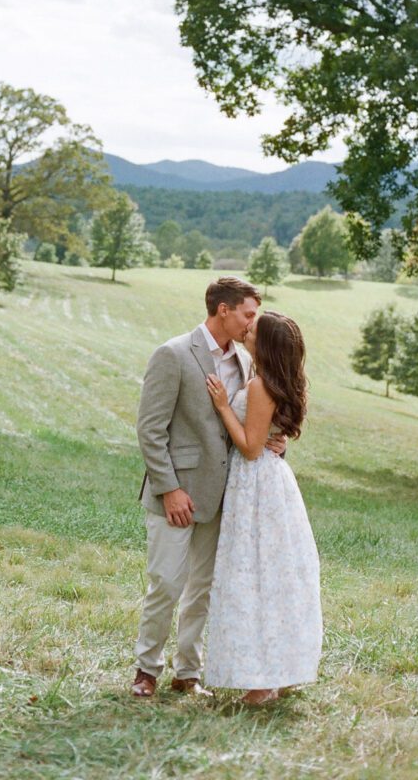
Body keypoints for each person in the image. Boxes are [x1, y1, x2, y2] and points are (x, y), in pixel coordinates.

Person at [131, 277, 286, 698]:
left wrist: (273, 439)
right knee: (165, 581)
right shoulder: (174, 353)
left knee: (203, 587)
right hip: (178, 494)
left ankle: (188, 673)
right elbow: (150, 430)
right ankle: (146, 669)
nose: (253, 324)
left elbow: (247, 422)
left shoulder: (245, 361)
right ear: (224, 310)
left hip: (225, 496)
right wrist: (168, 489)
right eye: (248, 314)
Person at [204, 310, 322, 705]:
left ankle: (262, 681)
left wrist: (222, 405)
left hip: (256, 486)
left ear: (265, 344)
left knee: (254, 575)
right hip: (274, 485)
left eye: (253, 329)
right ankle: (281, 672)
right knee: (275, 575)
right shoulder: (272, 381)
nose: (246, 329)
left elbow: (252, 448)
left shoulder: (259, 385)